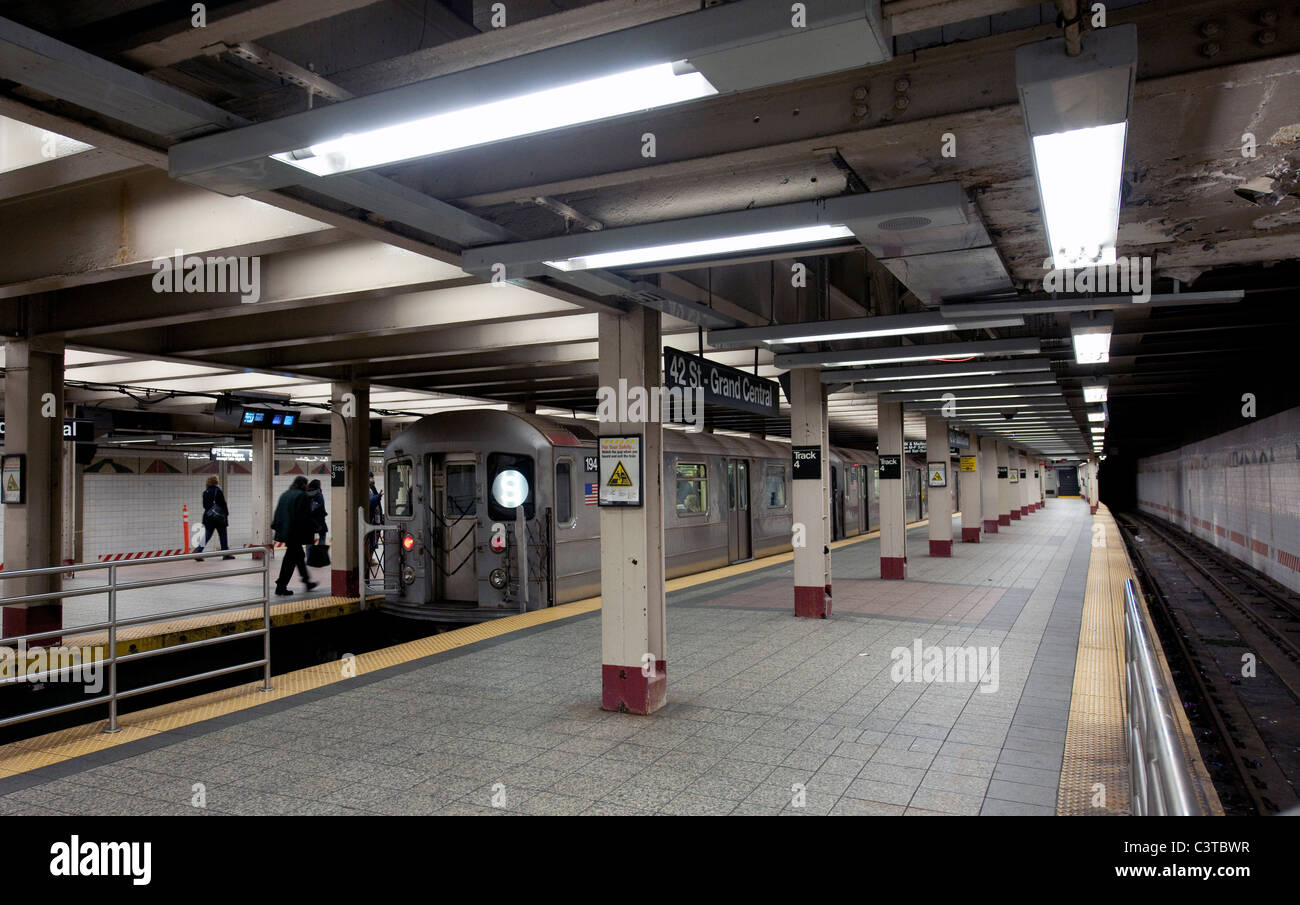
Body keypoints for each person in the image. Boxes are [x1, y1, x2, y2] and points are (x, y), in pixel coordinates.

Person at [271, 475, 317, 596]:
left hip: (285, 531)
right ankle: (281, 586)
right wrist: (315, 526)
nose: (308, 486)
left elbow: (278, 512)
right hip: (294, 532)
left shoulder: (285, 494)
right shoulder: (302, 496)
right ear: (303, 484)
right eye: (306, 484)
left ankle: (306, 581)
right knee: (291, 559)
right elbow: (304, 516)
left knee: (297, 556)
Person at [194, 475, 235, 560]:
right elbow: (223, 504)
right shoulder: (218, 490)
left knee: (207, 535)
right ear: (216, 482)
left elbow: (204, 506)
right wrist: (226, 514)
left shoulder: (205, 492)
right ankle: (225, 554)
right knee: (223, 535)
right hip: (219, 518)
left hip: (208, 517)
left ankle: (198, 552)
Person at [306, 478, 328, 546]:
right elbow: (321, 506)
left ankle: (309, 556)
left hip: (309, 521)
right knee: (322, 536)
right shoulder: (319, 494)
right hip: (319, 520)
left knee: (309, 540)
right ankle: (319, 554)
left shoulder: (306, 494)